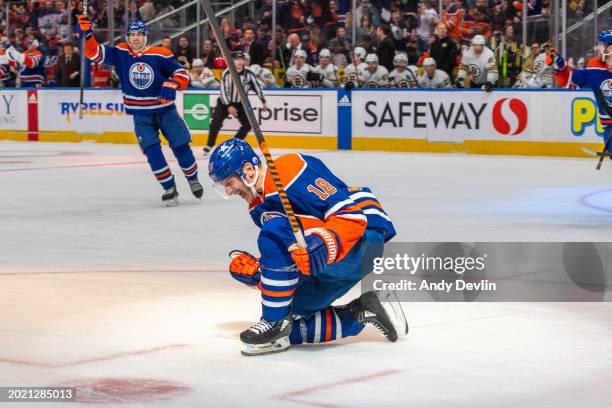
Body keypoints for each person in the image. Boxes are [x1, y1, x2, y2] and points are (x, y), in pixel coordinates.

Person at [207, 138, 406, 355]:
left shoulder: (287, 171)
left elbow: (351, 216)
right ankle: (364, 311)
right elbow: (291, 256)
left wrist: (323, 243)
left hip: (361, 241)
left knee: (274, 231)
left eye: (229, 182)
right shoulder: (258, 208)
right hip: (337, 262)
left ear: (248, 170)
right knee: (289, 325)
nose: (228, 191)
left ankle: (272, 320)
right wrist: (259, 273)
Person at [77, 17, 203, 206]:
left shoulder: (161, 53)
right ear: (127, 37)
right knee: (152, 151)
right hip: (140, 114)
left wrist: (173, 82)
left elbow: (182, 73)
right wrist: (87, 35)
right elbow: (94, 53)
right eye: (132, 34)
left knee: (180, 145)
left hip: (165, 110)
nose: (135, 38)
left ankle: (192, 178)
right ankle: (169, 187)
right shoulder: (120, 52)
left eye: (139, 34)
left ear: (146, 36)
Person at [549, 32, 612, 149]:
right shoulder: (594, 67)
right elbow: (567, 81)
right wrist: (559, 67)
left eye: (601, 44)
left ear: (610, 48)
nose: (597, 47)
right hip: (609, 126)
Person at [202, 51, 268, 156]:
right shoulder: (226, 73)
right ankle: (209, 145)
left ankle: (233, 145)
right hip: (224, 103)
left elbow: (257, 88)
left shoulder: (249, 74)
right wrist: (229, 105)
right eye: (237, 59)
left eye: (242, 59)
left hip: (241, 103)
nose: (239, 62)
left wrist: (263, 101)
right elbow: (223, 91)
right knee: (215, 123)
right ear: (232, 61)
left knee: (248, 124)